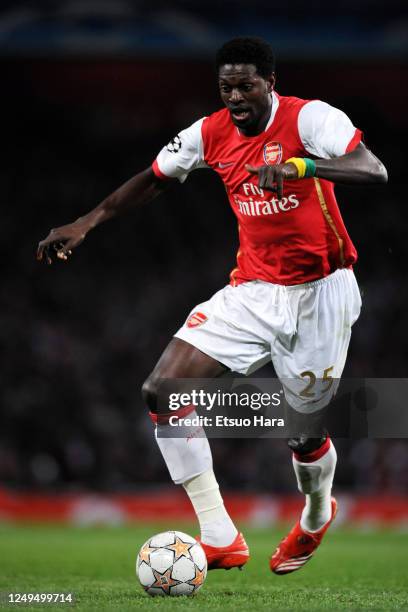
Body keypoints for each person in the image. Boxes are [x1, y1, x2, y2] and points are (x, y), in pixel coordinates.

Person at [37, 37, 387, 574]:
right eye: (227, 87)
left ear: (271, 83)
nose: (236, 97)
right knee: (162, 389)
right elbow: (153, 180)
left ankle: (317, 515)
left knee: (305, 432)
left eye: (247, 86)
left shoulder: (310, 119)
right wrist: (86, 224)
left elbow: (372, 168)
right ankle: (219, 534)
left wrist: (302, 169)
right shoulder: (208, 132)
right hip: (251, 290)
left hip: (323, 292)